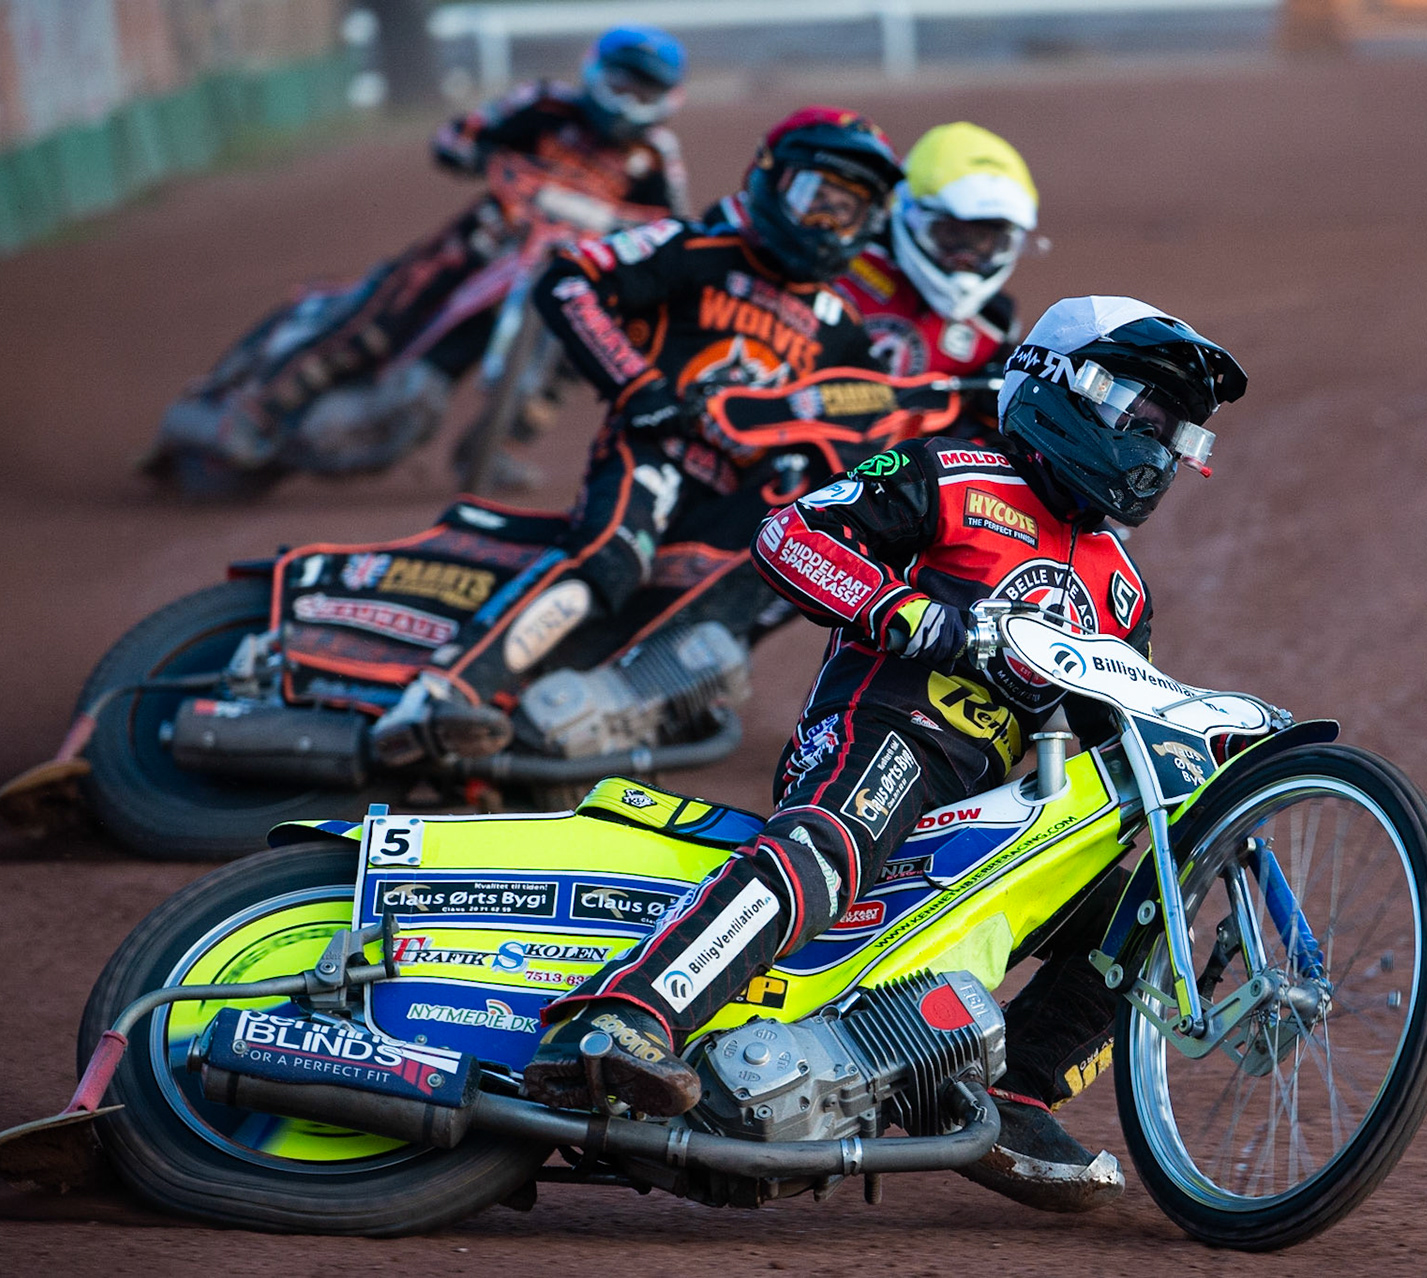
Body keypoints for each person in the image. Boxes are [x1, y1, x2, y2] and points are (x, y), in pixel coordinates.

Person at [520, 295, 1248, 1213]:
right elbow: (792, 533)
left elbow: (1118, 741)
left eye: (1171, 435)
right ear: (1065, 388)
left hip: (975, 804)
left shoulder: (1125, 592)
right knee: (838, 841)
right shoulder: (955, 470)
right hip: (883, 731)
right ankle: (623, 1017)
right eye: (1141, 418)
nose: (1154, 450)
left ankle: (1015, 1091)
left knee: (1141, 892)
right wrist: (910, 616)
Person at [370, 106, 904, 767]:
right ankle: (436, 692)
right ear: (770, 179)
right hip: (654, 451)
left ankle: (550, 726)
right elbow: (569, 281)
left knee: (680, 622)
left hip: (729, 504)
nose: (825, 221)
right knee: (610, 561)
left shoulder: (844, 329)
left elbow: (863, 437)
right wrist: (639, 388)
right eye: (815, 198)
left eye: (846, 211)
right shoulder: (693, 246)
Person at [176, 27, 690, 486]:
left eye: (644, 92)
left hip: (563, 270)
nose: (628, 102)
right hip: (482, 246)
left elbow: (674, 225)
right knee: (378, 325)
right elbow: (457, 134)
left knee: (583, 354)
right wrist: (481, 156)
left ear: (666, 99)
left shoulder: (656, 155)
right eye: (621, 85)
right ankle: (260, 409)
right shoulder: (545, 106)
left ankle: (492, 450)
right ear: (593, 72)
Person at [834, 121, 1037, 435]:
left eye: (985, 242)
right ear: (910, 214)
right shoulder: (840, 269)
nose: (966, 260)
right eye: (952, 234)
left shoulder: (994, 327)